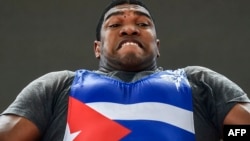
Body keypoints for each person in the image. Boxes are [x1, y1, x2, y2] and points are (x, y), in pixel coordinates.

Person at [0, 0, 250, 141]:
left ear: (157, 46)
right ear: (97, 48)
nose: (129, 29)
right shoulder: (57, 87)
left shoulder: (199, 82)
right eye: (115, 24)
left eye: (142, 24)